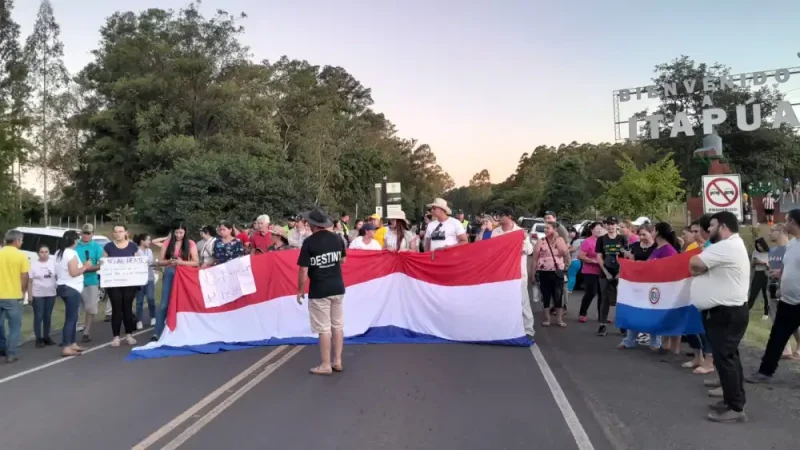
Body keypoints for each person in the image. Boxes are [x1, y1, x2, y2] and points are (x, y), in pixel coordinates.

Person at [689, 211, 750, 423]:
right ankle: (732, 399)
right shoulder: (730, 245)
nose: (709, 230)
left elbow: (695, 263)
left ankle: (735, 407)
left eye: (712, 225)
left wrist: (699, 271)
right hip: (728, 311)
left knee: (726, 359)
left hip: (726, 313)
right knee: (729, 358)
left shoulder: (726, 246)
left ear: (723, 226)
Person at [748, 209, 800, 385]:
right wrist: (780, 274)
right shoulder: (792, 244)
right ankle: (765, 372)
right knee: (776, 337)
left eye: (786, 221)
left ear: (793, 222)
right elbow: (789, 265)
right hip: (788, 301)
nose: (784, 224)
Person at [297, 208, 347, 375]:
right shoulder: (338, 238)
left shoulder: (309, 242)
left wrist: (300, 290)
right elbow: (343, 260)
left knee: (324, 328)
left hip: (319, 289)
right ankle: (337, 361)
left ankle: (325, 365)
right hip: (338, 286)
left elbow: (303, 270)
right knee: (337, 325)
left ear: (312, 225)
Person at [491, 207, 535, 338]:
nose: (498, 218)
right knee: (501, 301)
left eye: (501, 215)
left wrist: (521, 242)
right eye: (497, 215)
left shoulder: (520, 232)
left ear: (509, 216)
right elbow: (493, 250)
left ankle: (528, 330)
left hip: (518, 272)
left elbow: (529, 250)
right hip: (501, 272)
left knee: (523, 302)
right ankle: (502, 328)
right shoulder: (496, 232)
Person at [619, 223, 661, 351]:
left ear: (651, 233)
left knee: (653, 313)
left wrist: (640, 264)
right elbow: (630, 262)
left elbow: (657, 264)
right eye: (640, 234)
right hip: (637, 283)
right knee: (635, 311)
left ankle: (655, 342)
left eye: (644, 234)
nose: (642, 237)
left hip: (654, 283)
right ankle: (629, 340)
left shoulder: (657, 247)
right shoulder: (635, 246)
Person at [153, 224, 199, 341]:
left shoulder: (190, 243)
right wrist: (169, 261)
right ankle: (157, 332)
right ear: (173, 232)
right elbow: (160, 261)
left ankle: (185, 331)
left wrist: (182, 262)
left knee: (184, 302)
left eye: (181, 233)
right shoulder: (167, 243)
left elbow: (196, 262)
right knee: (164, 303)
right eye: (176, 232)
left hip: (184, 274)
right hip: (170, 272)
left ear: (185, 233)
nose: (178, 235)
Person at [55, 230, 93, 357]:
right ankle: (67, 346)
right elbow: (74, 272)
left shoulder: (59, 253)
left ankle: (72, 343)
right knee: (71, 318)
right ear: (74, 240)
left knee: (73, 317)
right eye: (77, 239)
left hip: (63, 285)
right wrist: (86, 266)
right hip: (71, 287)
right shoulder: (71, 253)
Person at [103, 224, 140, 347]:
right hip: (114, 284)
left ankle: (129, 335)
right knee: (116, 309)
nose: (118, 233)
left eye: (121, 231)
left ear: (126, 233)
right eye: (116, 231)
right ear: (113, 233)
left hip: (129, 283)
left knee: (127, 309)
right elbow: (103, 263)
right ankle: (116, 337)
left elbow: (138, 262)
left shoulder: (133, 246)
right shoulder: (108, 247)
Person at [0, 230, 30, 363]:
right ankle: (11, 353)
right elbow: (24, 276)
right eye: (21, 240)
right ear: (17, 241)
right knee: (14, 326)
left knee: (0, 325)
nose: (22, 243)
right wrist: (23, 292)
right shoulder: (21, 256)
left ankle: (2, 348)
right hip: (13, 295)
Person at [532, 221, 569, 327]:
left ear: (554, 229)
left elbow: (564, 253)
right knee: (546, 295)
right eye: (545, 228)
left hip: (557, 272)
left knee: (558, 295)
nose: (545, 230)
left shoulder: (560, 240)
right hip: (543, 272)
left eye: (548, 228)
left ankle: (559, 319)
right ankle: (547, 319)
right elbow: (535, 259)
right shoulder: (541, 241)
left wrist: (557, 240)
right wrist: (533, 274)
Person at [596, 217, 628, 336]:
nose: (610, 227)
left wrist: (620, 272)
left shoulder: (622, 238)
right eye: (608, 224)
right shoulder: (601, 239)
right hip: (605, 271)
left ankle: (622, 324)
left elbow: (626, 257)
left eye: (613, 224)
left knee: (621, 299)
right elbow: (599, 257)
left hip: (620, 271)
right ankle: (602, 324)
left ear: (616, 226)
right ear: (605, 226)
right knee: (604, 298)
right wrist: (606, 272)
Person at [76, 223, 104, 343]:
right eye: (84, 233)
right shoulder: (75, 246)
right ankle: (73, 329)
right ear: (81, 233)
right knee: (75, 308)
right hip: (75, 279)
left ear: (92, 234)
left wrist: (87, 268)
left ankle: (86, 331)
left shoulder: (97, 247)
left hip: (91, 279)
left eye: (89, 233)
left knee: (91, 307)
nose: (86, 235)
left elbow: (101, 263)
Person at [29, 244, 57, 348]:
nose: (44, 254)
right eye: (42, 252)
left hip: (51, 293)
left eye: (46, 252)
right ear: (38, 253)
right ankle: (38, 338)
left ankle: (46, 336)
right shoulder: (33, 264)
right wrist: (30, 295)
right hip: (38, 293)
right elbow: (30, 281)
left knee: (47, 316)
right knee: (39, 316)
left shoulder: (53, 263)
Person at [577, 222, 604, 323]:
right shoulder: (588, 241)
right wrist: (593, 261)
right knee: (591, 292)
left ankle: (602, 316)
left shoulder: (604, 241)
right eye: (597, 228)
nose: (599, 230)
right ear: (592, 230)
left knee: (602, 294)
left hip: (603, 271)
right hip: (590, 270)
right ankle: (582, 313)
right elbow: (580, 256)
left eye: (600, 228)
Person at [134, 234, 157, 330]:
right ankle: (139, 320)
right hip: (139, 279)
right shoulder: (135, 250)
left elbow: (151, 263)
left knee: (151, 298)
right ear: (142, 241)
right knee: (139, 301)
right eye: (148, 240)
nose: (150, 241)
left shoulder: (150, 251)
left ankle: (153, 316)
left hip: (150, 278)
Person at [747, 238, 770, 316]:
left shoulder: (769, 253)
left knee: (766, 294)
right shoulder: (755, 252)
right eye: (757, 246)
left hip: (766, 274)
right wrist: (757, 262)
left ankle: (766, 313)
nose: (759, 247)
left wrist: (766, 264)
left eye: (760, 245)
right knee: (753, 293)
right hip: (758, 273)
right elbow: (752, 265)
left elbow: (771, 265)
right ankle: (747, 310)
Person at [566, 227, 583, 293]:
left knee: (572, 275)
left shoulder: (577, 241)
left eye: (571, 232)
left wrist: (564, 251)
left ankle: (569, 289)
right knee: (571, 275)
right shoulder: (571, 240)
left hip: (575, 260)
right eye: (568, 232)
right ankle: (570, 288)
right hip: (574, 260)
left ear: (575, 232)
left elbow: (573, 249)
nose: (569, 234)